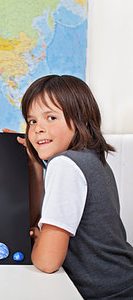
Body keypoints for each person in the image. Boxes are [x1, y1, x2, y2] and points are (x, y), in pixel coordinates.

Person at [22, 75, 133, 298]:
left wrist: (39, 243)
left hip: (110, 294)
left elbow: (47, 262)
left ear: (80, 120)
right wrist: (35, 165)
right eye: (32, 121)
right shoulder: (93, 159)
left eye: (51, 117)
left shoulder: (65, 164)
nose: (38, 129)